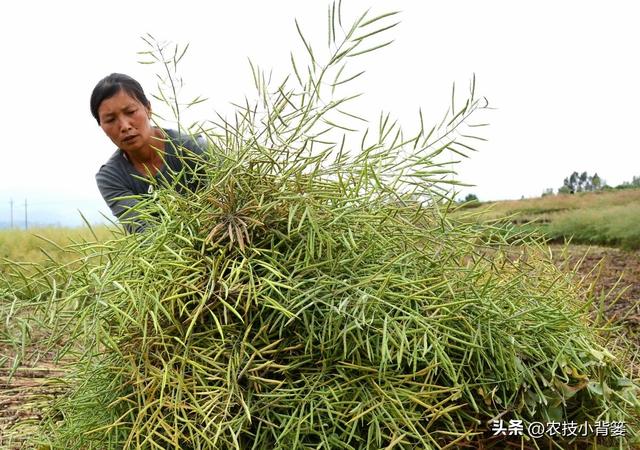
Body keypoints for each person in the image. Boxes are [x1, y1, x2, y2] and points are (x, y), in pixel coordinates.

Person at [91, 73, 206, 232]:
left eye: (130, 111)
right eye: (110, 120)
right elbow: (146, 234)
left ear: (148, 109)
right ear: (102, 127)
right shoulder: (111, 177)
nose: (124, 126)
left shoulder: (192, 148)